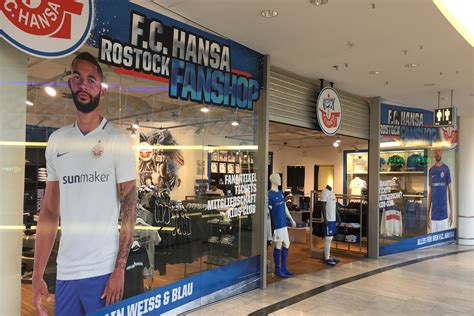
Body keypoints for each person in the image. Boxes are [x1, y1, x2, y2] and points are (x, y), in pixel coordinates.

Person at [32, 52, 137, 316]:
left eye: (91, 80)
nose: (83, 84)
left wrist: (119, 270)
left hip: (103, 273)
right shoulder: (57, 141)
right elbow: (49, 212)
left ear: (101, 90)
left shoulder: (116, 141)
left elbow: (130, 209)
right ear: (70, 84)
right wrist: (37, 274)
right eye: (77, 78)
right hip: (66, 272)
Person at [268, 173, 296, 278]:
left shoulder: (280, 193)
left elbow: (285, 208)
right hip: (277, 225)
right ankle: (277, 269)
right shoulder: (269, 195)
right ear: (273, 180)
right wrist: (271, 227)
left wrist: (291, 219)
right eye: (279, 178)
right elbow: (268, 213)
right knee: (278, 245)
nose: (280, 179)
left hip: (284, 224)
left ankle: (284, 267)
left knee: (286, 244)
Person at [427, 147, 453, 233]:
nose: (437, 153)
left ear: (442, 152)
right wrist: (427, 214)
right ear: (434, 154)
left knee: (443, 245)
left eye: (439, 151)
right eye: (436, 151)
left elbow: (450, 192)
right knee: (434, 244)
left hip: (444, 215)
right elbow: (430, 194)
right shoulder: (431, 170)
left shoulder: (446, 169)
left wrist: (451, 212)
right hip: (434, 216)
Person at [320, 185, 339, 266]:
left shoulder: (332, 193)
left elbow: (335, 207)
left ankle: (328, 255)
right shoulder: (324, 192)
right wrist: (325, 219)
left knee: (331, 237)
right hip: (328, 219)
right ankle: (326, 257)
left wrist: (338, 217)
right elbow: (323, 205)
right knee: (328, 238)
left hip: (333, 219)